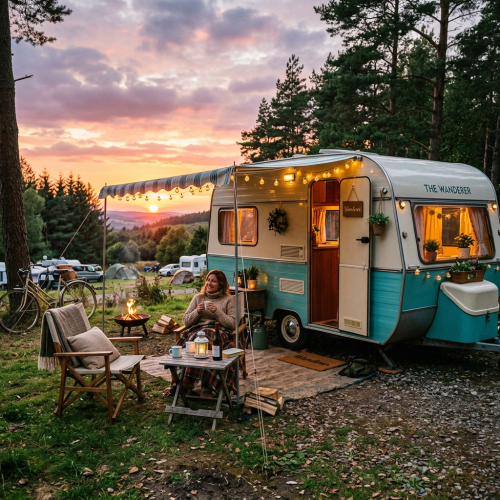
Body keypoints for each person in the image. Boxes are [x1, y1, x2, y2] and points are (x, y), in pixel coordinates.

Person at [163, 269, 240, 398]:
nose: (209, 283)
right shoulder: (198, 298)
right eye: (208, 280)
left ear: (221, 284)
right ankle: (197, 383)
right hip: (197, 331)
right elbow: (186, 321)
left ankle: (194, 381)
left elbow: (233, 323)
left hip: (219, 332)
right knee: (197, 339)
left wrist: (217, 312)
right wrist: (197, 312)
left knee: (203, 338)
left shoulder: (228, 299)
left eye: (213, 281)